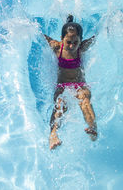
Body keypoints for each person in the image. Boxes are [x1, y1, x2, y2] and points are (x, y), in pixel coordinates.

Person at [44, 15, 97, 150]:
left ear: (80, 41)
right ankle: (53, 135)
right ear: (62, 39)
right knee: (61, 103)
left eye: (75, 42)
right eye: (68, 42)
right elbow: (41, 36)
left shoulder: (82, 48)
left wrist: (113, 24)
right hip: (62, 85)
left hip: (80, 84)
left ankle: (93, 128)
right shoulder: (57, 48)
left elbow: (99, 36)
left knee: (85, 99)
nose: (72, 45)